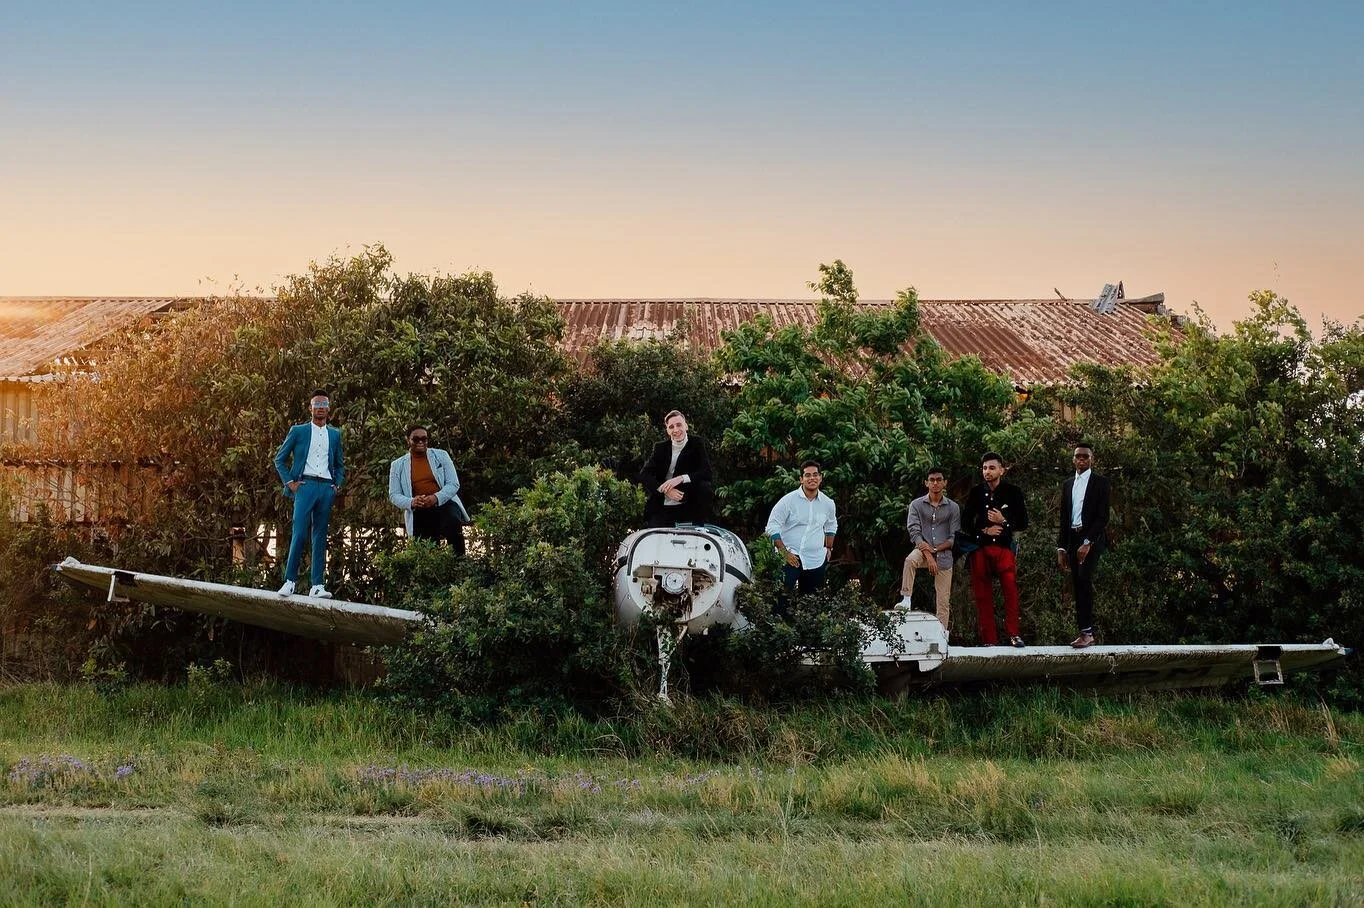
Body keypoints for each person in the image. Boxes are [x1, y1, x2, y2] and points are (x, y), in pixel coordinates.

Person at [273, 389, 344, 598]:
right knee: (300, 532)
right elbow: (279, 459)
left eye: (324, 404)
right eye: (317, 404)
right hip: (306, 486)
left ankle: (317, 586)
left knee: (320, 536)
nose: (321, 408)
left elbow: (340, 464)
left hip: (326, 487)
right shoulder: (299, 431)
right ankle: (290, 581)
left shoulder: (335, 434)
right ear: (310, 408)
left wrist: (337, 485)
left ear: (329, 409)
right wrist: (291, 483)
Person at [965, 452, 1028, 647]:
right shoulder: (976, 492)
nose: (987, 472)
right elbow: (965, 521)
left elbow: (1023, 522)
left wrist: (1004, 522)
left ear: (1002, 470)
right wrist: (984, 529)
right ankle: (989, 640)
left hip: (1003, 548)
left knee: (1010, 590)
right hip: (981, 548)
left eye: (992, 468)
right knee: (982, 595)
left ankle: (1013, 634)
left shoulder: (1013, 491)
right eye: (984, 468)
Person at [895, 467, 961, 634]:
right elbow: (914, 532)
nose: (935, 483)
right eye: (932, 480)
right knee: (910, 561)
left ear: (945, 482)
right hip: (922, 550)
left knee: (943, 601)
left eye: (939, 479)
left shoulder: (953, 508)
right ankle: (906, 598)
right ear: (926, 482)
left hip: (944, 555)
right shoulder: (916, 505)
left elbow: (954, 537)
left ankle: (942, 634)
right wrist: (929, 555)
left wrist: (935, 550)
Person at [1057, 442, 1110, 649]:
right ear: (1073, 459)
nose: (1081, 459)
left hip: (1091, 538)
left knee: (1084, 578)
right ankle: (1084, 632)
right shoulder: (1068, 484)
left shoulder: (1101, 483)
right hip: (1073, 537)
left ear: (1091, 459)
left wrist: (1088, 542)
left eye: (1085, 456)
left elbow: (1102, 517)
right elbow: (1064, 517)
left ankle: (1088, 633)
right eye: (1078, 456)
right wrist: (1061, 548)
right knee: (1077, 584)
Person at [388, 425, 471, 555]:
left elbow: (453, 483)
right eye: (416, 439)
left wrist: (435, 498)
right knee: (425, 550)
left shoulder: (441, 456)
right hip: (419, 508)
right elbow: (394, 494)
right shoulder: (397, 465)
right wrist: (412, 502)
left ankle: (460, 564)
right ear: (408, 440)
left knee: (453, 523)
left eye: (424, 439)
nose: (420, 442)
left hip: (444, 503)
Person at [766, 460, 838, 596]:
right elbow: (772, 526)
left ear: (820, 478)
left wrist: (829, 547)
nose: (812, 478)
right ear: (801, 479)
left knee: (811, 605)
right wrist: (784, 553)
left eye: (815, 475)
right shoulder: (788, 501)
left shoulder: (828, 503)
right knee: (780, 599)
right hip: (789, 558)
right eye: (808, 475)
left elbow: (831, 524)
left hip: (815, 560)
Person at [639, 410, 714, 528]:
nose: (676, 430)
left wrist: (681, 479)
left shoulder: (697, 443)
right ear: (668, 430)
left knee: (704, 487)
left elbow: (706, 472)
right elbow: (644, 474)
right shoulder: (660, 448)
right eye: (671, 427)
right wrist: (665, 490)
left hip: (686, 502)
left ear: (686, 426)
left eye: (679, 425)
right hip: (662, 505)